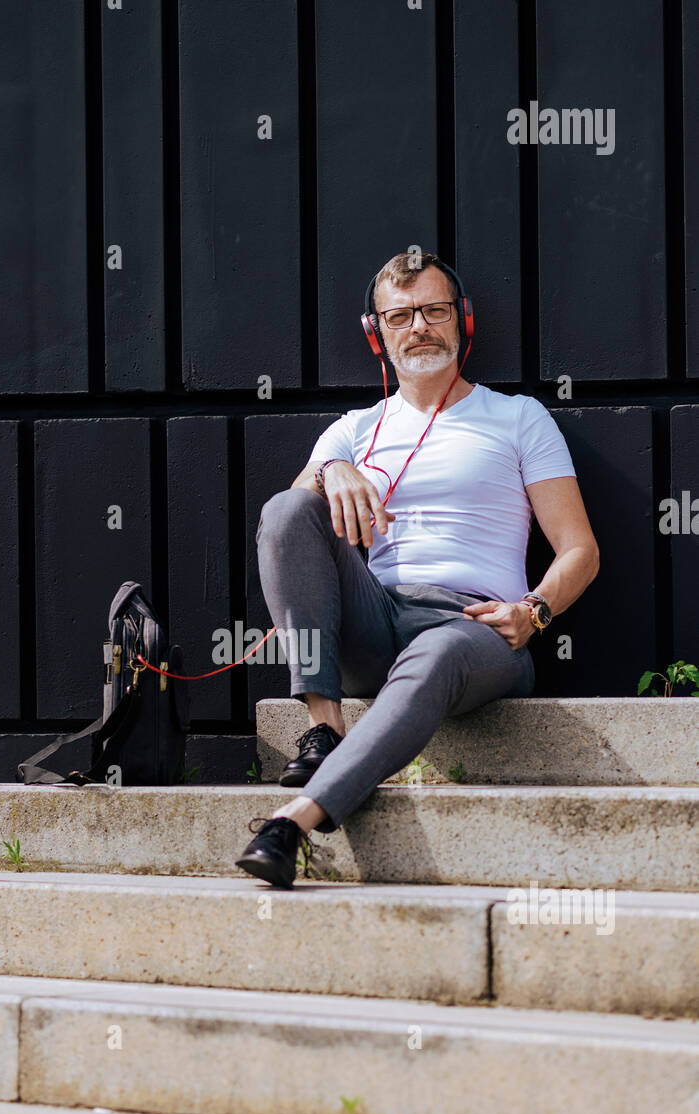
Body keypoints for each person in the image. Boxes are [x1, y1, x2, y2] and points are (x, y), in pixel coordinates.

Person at [236, 249, 599, 889]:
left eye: (434, 311)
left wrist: (534, 610)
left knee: (435, 654)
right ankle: (323, 727)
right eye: (400, 315)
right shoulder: (353, 429)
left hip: (475, 625)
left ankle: (295, 820)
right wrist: (328, 470)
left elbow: (579, 549)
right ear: (376, 333)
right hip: (375, 616)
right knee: (290, 506)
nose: (419, 327)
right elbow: (287, 528)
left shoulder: (517, 417)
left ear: (463, 321)